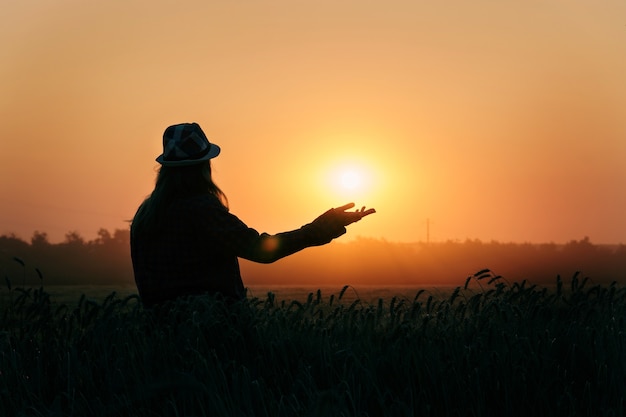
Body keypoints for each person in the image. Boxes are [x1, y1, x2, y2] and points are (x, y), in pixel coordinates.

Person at [130, 122, 376, 307]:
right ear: (203, 167)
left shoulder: (146, 215)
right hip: (212, 335)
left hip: (161, 337)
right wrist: (319, 228)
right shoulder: (202, 208)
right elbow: (259, 249)